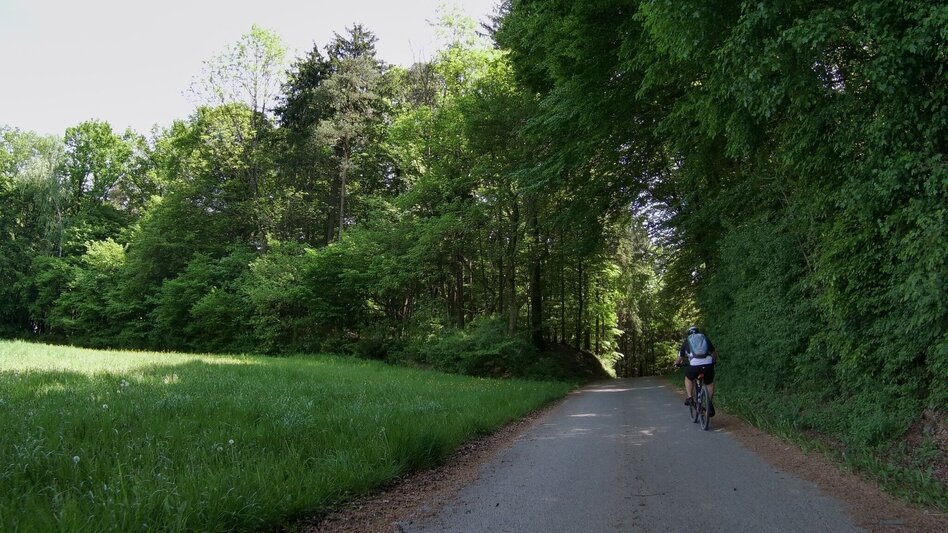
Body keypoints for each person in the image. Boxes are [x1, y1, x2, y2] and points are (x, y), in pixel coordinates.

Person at [675, 326, 717, 417]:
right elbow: (714, 352)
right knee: (709, 383)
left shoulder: (687, 341)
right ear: (698, 332)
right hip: (708, 365)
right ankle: (709, 403)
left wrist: (676, 364)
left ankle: (690, 397)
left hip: (694, 366)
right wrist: (713, 361)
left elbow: (680, 358)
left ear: (689, 334)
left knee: (688, 378)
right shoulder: (704, 339)